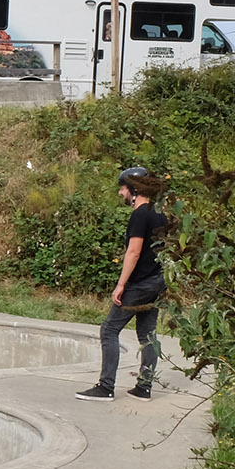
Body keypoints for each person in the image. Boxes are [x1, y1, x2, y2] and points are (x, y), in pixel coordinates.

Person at [76, 167, 168, 401]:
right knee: (147, 334)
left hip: (139, 284)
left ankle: (106, 386)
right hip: (158, 280)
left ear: (134, 190)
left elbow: (133, 252)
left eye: (123, 188)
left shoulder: (140, 215)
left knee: (109, 330)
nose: (120, 193)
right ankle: (144, 387)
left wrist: (120, 285)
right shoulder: (160, 213)